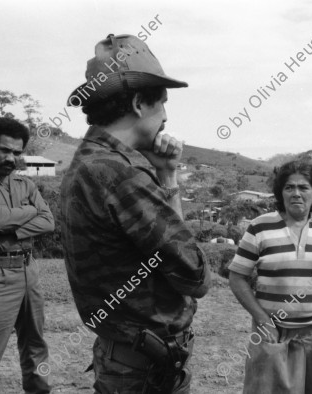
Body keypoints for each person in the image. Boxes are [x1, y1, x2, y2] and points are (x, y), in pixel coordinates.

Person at [60, 34, 211, 394]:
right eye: (162, 103)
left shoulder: (91, 161)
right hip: (142, 370)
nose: (167, 116)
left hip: (128, 357)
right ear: (140, 103)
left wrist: (167, 174)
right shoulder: (119, 174)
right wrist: (167, 177)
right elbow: (196, 276)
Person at [228, 160, 312, 394]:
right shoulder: (259, 228)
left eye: (303, 187)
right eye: (289, 187)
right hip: (272, 335)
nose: (296, 193)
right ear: (281, 192)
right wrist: (262, 320)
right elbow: (236, 277)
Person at [0, 118, 54, 394]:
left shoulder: (25, 185)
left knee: (36, 346)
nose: (11, 158)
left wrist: (10, 226)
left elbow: (48, 222)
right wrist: (29, 212)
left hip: (29, 272)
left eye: (17, 153)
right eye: (4, 150)